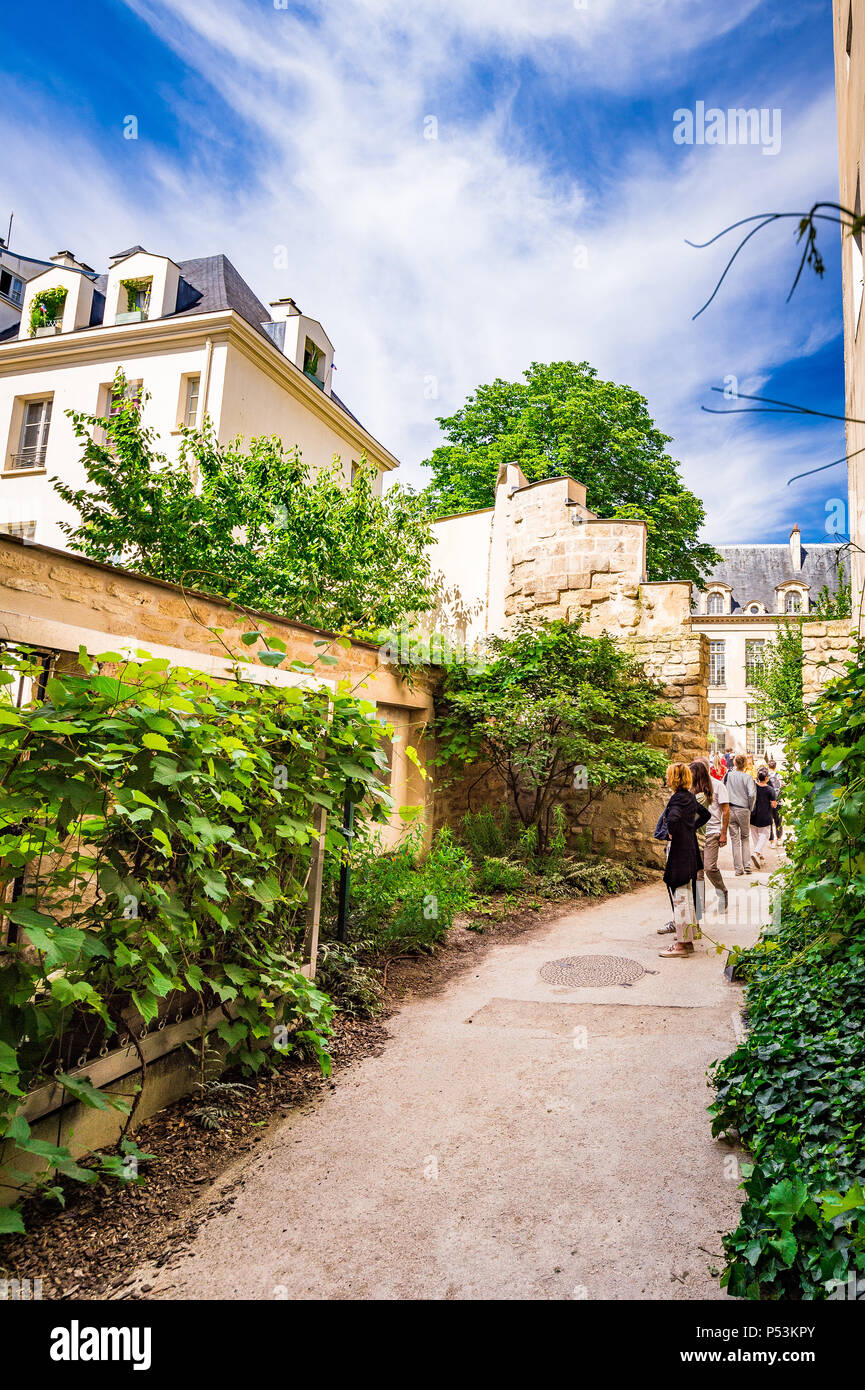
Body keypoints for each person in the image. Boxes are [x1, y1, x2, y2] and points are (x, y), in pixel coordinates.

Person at [658, 762, 710, 959]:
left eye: (669, 775)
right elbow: (705, 814)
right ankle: (687, 941)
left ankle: (681, 945)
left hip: (679, 851)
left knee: (679, 896)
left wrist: (672, 833)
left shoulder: (677, 799)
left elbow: (672, 819)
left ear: (675, 778)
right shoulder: (689, 796)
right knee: (686, 895)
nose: (667, 779)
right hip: (690, 848)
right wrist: (691, 828)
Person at [700, 755, 730, 911]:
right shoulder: (692, 787)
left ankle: (722, 892)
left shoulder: (718, 785)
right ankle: (699, 903)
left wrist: (723, 833)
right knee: (697, 871)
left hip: (712, 831)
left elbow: (726, 810)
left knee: (709, 867)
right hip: (696, 832)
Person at [726, 753, 756, 876]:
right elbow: (752, 794)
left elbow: (723, 789)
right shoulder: (747, 778)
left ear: (734, 763)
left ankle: (738, 869)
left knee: (734, 839)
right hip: (743, 808)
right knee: (745, 837)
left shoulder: (728, 776)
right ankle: (747, 865)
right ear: (745, 764)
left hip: (730, 808)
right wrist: (750, 807)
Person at [750, 769, 776, 867]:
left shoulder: (753, 787)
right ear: (766, 778)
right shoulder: (770, 790)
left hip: (753, 816)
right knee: (764, 835)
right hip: (765, 816)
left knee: (755, 837)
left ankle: (761, 857)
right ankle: (756, 853)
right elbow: (773, 805)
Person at [767, 758, 783, 844]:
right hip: (778, 801)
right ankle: (779, 838)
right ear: (775, 766)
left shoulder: (766, 776)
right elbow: (783, 787)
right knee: (778, 820)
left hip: (768, 802)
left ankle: (771, 840)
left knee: (770, 821)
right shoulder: (779, 776)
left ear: (768, 766)